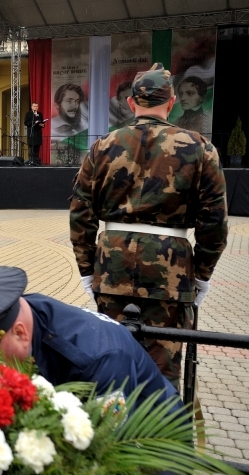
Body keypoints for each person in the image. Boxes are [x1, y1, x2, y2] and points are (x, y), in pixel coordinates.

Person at [0, 266, 191, 475]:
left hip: (153, 443)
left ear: (19, 333)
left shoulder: (97, 359)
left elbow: (105, 451)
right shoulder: (22, 311)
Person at [70, 63, 228, 387]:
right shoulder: (200, 148)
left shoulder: (102, 147)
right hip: (170, 272)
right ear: (171, 103)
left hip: (112, 267)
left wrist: (87, 270)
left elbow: (81, 212)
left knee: (112, 359)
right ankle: (158, 432)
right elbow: (215, 221)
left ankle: (113, 432)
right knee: (162, 366)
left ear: (131, 103)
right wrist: (202, 274)